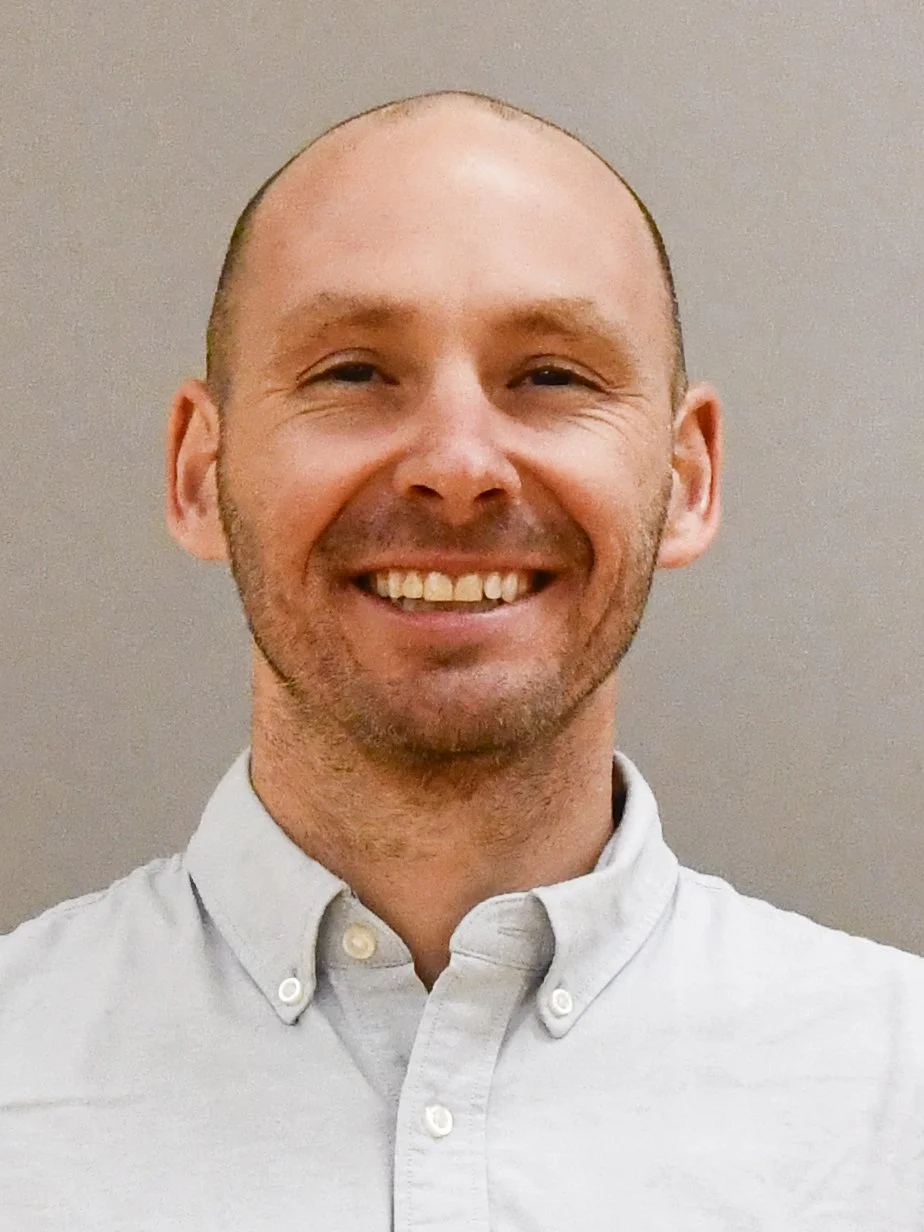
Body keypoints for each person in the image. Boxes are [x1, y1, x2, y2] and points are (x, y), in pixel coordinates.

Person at [1, 90, 922, 1229]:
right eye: (352, 373)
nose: (456, 464)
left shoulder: (898, 1103)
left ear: (687, 479)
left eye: (553, 376)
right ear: (200, 471)